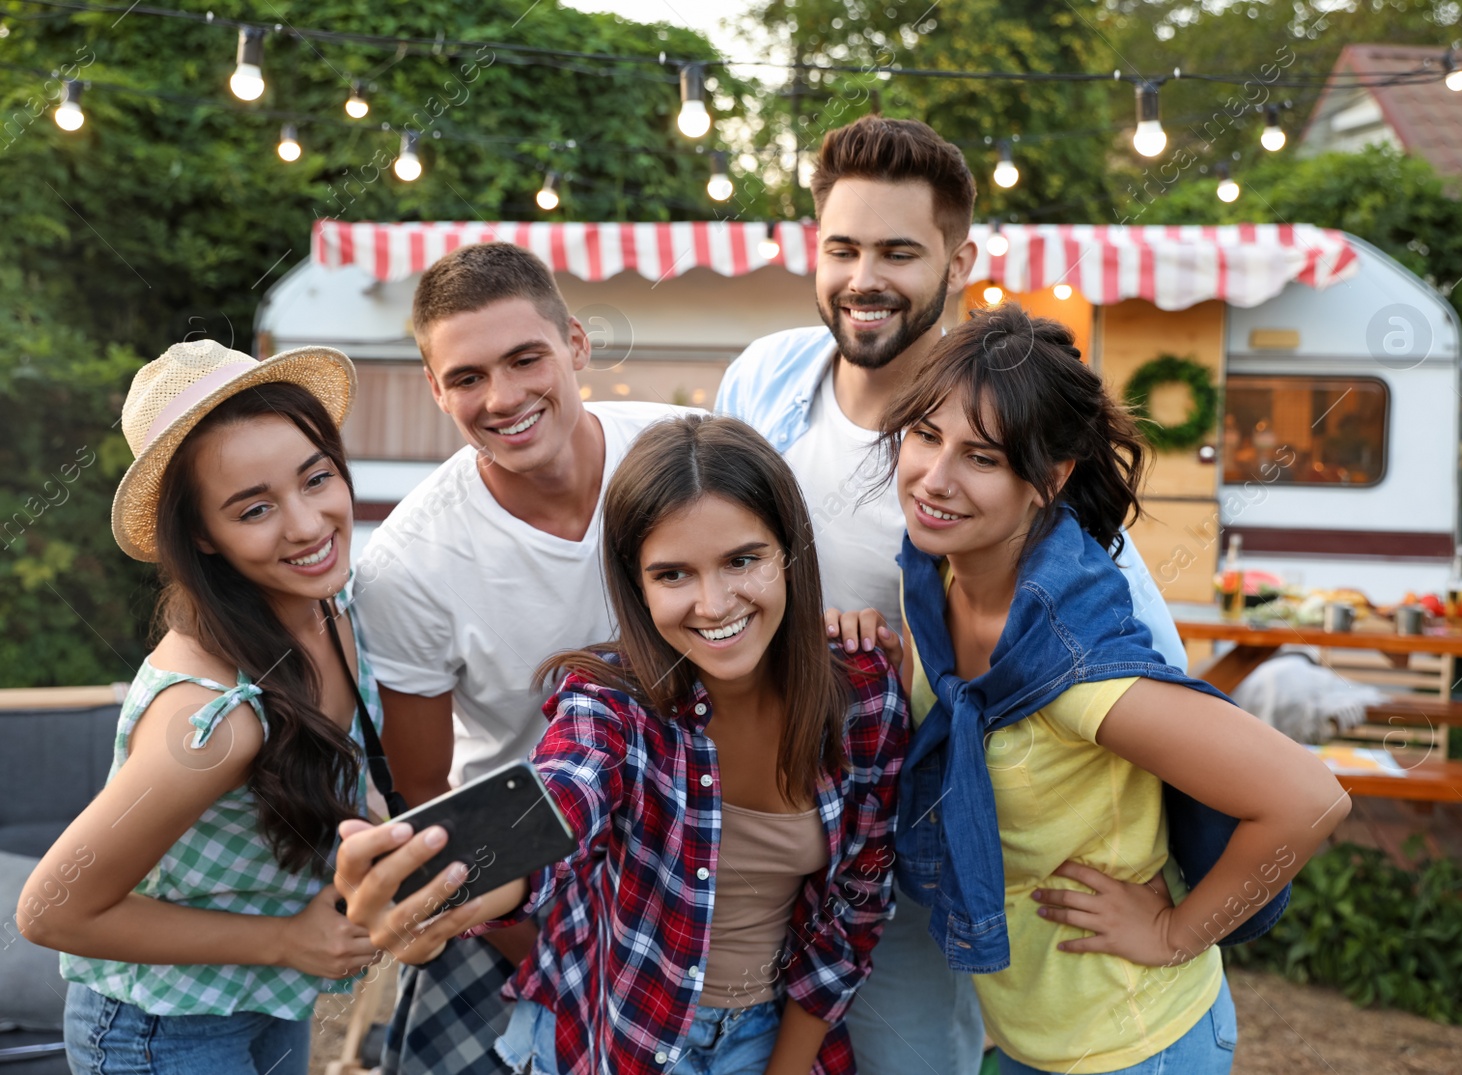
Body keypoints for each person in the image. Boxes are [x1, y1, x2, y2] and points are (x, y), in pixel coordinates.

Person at [715, 114, 1187, 1074]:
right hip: (755, 829)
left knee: (906, 1060)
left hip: (908, 847)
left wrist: (1169, 908)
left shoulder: (1001, 419)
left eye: (898, 250)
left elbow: (1147, 663)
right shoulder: (766, 379)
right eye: (842, 247)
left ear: (958, 258)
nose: (864, 278)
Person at [335, 415, 909, 1075]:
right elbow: (560, 799)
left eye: (742, 560)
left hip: (775, 1035)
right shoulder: (609, 705)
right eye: (673, 575)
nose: (714, 602)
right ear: (636, 584)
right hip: (613, 1035)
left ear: (790, 553)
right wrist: (441, 879)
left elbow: (856, 904)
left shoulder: (864, 695)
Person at [883, 306, 1351, 1074]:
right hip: (1033, 1034)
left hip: (1133, 1043)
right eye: (926, 436)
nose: (935, 479)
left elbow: (1310, 796)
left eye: (982, 457)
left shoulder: (1073, 670)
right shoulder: (929, 582)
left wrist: (1175, 932)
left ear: (1051, 479)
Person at [352, 242, 690, 1072]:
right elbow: (421, 794)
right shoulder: (408, 565)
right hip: (525, 884)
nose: (502, 398)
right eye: (466, 377)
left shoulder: (683, 457)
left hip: (695, 856)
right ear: (436, 389)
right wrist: (520, 934)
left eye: (525, 358)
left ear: (576, 345)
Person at [18, 340, 384, 1075]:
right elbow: (51, 909)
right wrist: (287, 939)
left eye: (316, 477)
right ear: (201, 538)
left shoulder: (331, 608)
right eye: (255, 508)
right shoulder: (212, 721)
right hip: (161, 1027)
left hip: (266, 995)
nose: (309, 523)